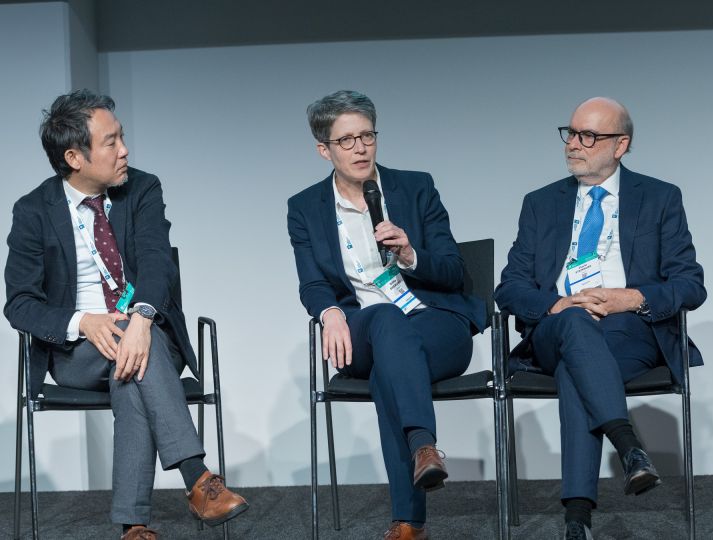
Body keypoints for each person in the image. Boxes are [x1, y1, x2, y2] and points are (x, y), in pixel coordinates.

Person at [4, 90, 249, 540]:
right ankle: (196, 479)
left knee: (140, 354)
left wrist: (140, 318)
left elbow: (157, 261)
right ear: (74, 157)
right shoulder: (33, 211)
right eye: (112, 141)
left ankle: (135, 524)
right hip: (79, 351)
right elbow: (19, 303)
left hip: (149, 330)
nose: (125, 150)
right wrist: (85, 321)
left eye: (122, 137)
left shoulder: (143, 188)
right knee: (134, 370)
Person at [494, 97, 706, 539]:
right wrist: (556, 305)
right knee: (574, 327)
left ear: (621, 144)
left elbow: (690, 284)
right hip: (556, 327)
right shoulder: (540, 203)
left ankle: (577, 520)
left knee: (580, 368)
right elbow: (509, 287)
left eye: (588, 136)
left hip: (629, 329)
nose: (574, 144)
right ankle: (628, 445)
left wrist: (630, 298)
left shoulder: (660, 197)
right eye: (570, 133)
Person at [287, 90, 486, 540]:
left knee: (389, 374)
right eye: (347, 141)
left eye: (367, 136)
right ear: (325, 150)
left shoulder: (416, 187)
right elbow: (313, 283)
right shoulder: (304, 208)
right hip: (363, 329)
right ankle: (424, 445)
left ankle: (409, 522)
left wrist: (413, 253)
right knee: (384, 319)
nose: (360, 148)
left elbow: (455, 271)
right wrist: (330, 314)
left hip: (435, 322)